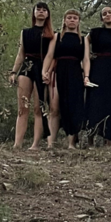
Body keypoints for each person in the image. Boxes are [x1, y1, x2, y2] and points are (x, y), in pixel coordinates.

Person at [8, 2, 54, 150]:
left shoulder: (51, 35)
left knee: (38, 107)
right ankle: (17, 144)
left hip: (42, 68)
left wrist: (47, 71)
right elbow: (20, 54)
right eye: (38, 9)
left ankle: (35, 144)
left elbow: (51, 56)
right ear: (34, 13)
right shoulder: (25, 32)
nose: (41, 12)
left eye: (44, 10)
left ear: (47, 14)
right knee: (22, 107)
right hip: (27, 67)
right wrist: (14, 72)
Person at [42, 9, 87, 149]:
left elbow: (86, 60)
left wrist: (86, 76)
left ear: (78, 21)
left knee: (73, 107)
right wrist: (45, 71)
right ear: (65, 20)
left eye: (75, 18)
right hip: (58, 72)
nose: (72, 20)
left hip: (75, 73)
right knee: (54, 108)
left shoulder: (83, 39)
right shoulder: (57, 36)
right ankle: (51, 142)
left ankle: (71, 143)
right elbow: (49, 55)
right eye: (69, 17)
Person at [83, 6, 111, 146]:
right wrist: (87, 59)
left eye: (110, 12)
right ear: (101, 18)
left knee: (110, 103)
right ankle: (90, 137)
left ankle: (108, 138)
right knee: (94, 102)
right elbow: (84, 41)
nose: (107, 15)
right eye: (104, 14)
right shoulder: (95, 33)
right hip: (97, 69)